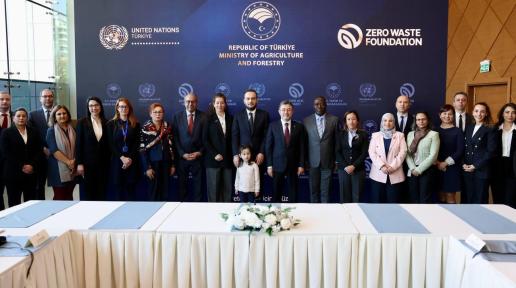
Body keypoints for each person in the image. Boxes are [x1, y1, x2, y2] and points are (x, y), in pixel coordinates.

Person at [0, 108, 42, 207]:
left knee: (31, 202)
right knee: (14, 202)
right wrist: (22, 166)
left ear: (27, 118)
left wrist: (32, 165)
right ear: (13, 118)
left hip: (31, 172)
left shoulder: (34, 132)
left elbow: (39, 150)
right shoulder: (6, 132)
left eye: (24, 116)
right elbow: (6, 153)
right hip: (13, 173)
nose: (21, 118)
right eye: (18, 116)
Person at [232, 89, 269, 199]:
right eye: (248, 98)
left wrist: (262, 152)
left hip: (259, 157)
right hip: (243, 157)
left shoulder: (264, 115)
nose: (250, 101)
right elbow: (234, 137)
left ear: (257, 100)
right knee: (244, 188)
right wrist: (235, 155)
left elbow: (266, 136)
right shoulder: (238, 116)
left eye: (253, 98)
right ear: (244, 100)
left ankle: (257, 211)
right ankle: (244, 212)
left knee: (258, 186)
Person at [265, 100, 306, 203]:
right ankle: (276, 217)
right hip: (277, 165)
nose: (286, 112)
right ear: (279, 111)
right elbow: (268, 147)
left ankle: (294, 215)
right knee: (276, 193)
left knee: (293, 193)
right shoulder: (272, 126)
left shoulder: (299, 127)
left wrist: (301, 165)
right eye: (283, 110)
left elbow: (302, 147)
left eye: (288, 110)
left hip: (293, 165)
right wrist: (269, 165)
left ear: (292, 111)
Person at [303, 96, 339, 203]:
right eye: (316, 104)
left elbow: (337, 142)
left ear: (326, 105)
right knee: (314, 192)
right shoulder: (306, 121)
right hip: (312, 162)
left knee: (325, 192)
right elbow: (304, 143)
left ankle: (326, 215)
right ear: (313, 106)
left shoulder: (334, 120)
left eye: (322, 104)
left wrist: (336, 160)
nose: (319, 106)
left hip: (328, 162)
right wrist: (304, 161)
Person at [75, 97, 110, 200]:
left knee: (102, 191)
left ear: (100, 107)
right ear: (88, 108)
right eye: (91, 106)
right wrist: (80, 163)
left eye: (96, 105)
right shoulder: (82, 122)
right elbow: (78, 144)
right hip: (87, 164)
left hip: (103, 164)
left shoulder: (106, 122)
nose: (94, 108)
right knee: (89, 192)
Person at [172, 92, 205, 202]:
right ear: (184, 103)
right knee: (182, 187)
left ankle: (198, 209)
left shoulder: (204, 116)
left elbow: (206, 138)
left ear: (196, 103)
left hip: (198, 158)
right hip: (182, 158)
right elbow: (175, 138)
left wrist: (199, 152)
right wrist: (182, 154)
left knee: (198, 188)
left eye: (193, 101)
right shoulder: (177, 116)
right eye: (188, 101)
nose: (190, 104)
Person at [106, 98, 140, 201]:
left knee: (131, 192)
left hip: (132, 162)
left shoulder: (136, 124)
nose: (123, 109)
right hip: (117, 162)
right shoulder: (111, 124)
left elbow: (137, 144)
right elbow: (110, 144)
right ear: (117, 108)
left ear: (129, 108)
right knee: (118, 192)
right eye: (121, 106)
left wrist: (129, 159)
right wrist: (122, 158)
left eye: (125, 106)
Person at [368, 113, 407, 203]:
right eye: (385, 120)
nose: (387, 123)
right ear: (382, 122)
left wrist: (392, 167)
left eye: (390, 120)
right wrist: (382, 166)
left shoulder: (400, 135)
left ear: (394, 122)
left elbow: (403, 152)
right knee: (377, 202)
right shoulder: (375, 135)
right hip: (378, 174)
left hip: (395, 173)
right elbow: (372, 152)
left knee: (394, 203)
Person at [462, 102, 496, 204]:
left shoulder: (490, 129)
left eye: (482, 111)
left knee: (479, 200)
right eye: (476, 111)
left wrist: (475, 166)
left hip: (481, 170)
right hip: (467, 169)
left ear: (486, 114)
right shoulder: (469, 127)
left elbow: (491, 151)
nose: (479, 114)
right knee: (467, 199)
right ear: (472, 112)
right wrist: (463, 163)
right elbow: (464, 148)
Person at [139, 103, 174, 201]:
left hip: (166, 162)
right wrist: (147, 168)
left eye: (160, 112)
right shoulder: (145, 128)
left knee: (165, 191)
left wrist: (172, 165)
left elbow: (172, 147)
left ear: (163, 113)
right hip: (152, 164)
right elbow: (142, 149)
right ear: (150, 114)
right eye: (155, 112)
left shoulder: (168, 127)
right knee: (153, 191)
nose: (158, 114)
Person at [203, 93, 233, 202]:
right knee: (214, 191)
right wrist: (214, 154)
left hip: (228, 160)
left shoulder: (231, 119)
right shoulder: (207, 119)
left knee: (228, 190)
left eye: (222, 102)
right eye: (217, 103)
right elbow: (205, 140)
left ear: (225, 104)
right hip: (213, 160)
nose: (220, 105)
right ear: (213, 104)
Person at [406, 111, 440, 203]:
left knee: (424, 200)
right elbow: (407, 154)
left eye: (423, 119)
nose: (421, 121)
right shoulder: (410, 134)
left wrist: (419, 169)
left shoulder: (434, 134)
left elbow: (433, 155)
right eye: (418, 119)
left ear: (428, 120)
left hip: (427, 171)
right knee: (413, 199)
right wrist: (413, 168)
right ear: (415, 121)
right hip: (412, 170)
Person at [335, 110, 369, 203]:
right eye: (348, 119)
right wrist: (346, 166)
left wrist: (354, 166)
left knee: (357, 196)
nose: (351, 121)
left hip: (358, 170)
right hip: (343, 170)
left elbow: (364, 153)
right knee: (344, 197)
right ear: (345, 121)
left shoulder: (364, 135)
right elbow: (337, 152)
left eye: (353, 119)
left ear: (357, 121)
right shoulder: (340, 134)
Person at [28, 88, 55, 200]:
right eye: (45, 96)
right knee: (39, 186)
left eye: (50, 96)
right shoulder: (32, 115)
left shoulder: (60, 112)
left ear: (53, 98)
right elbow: (31, 137)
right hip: (40, 156)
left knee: (60, 186)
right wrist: (43, 148)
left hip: (58, 155)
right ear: (40, 99)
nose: (47, 98)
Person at [46, 105, 77, 200]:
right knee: (60, 197)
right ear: (54, 117)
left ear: (68, 115)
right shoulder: (51, 131)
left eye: (64, 113)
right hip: (57, 170)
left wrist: (73, 162)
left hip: (73, 168)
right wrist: (69, 162)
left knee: (69, 196)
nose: (62, 116)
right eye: (59, 114)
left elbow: (78, 147)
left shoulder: (73, 129)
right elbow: (54, 150)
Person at [435, 105, 464, 204]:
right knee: (439, 195)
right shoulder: (434, 130)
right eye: (444, 113)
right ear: (440, 115)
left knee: (449, 196)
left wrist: (445, 163)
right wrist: (438, 163)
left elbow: (460, 151)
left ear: (453, 116)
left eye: (450, 114)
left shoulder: (458, 131)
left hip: (452, 168)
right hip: (436, 167)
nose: (447, 116)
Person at [491, 103, 516, 207]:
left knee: (511, 200)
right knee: (498, 199)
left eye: (513, 113)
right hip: (497, 167)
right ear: (502, 114)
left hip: (513, 167)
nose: (510, 115)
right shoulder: (494, 129)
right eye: (507, 112)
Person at [0, 90, 11, 210]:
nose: (4, 101)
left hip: (13, 164)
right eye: (1, 99)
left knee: (14, 194)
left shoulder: (18, 116)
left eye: (7, 99)